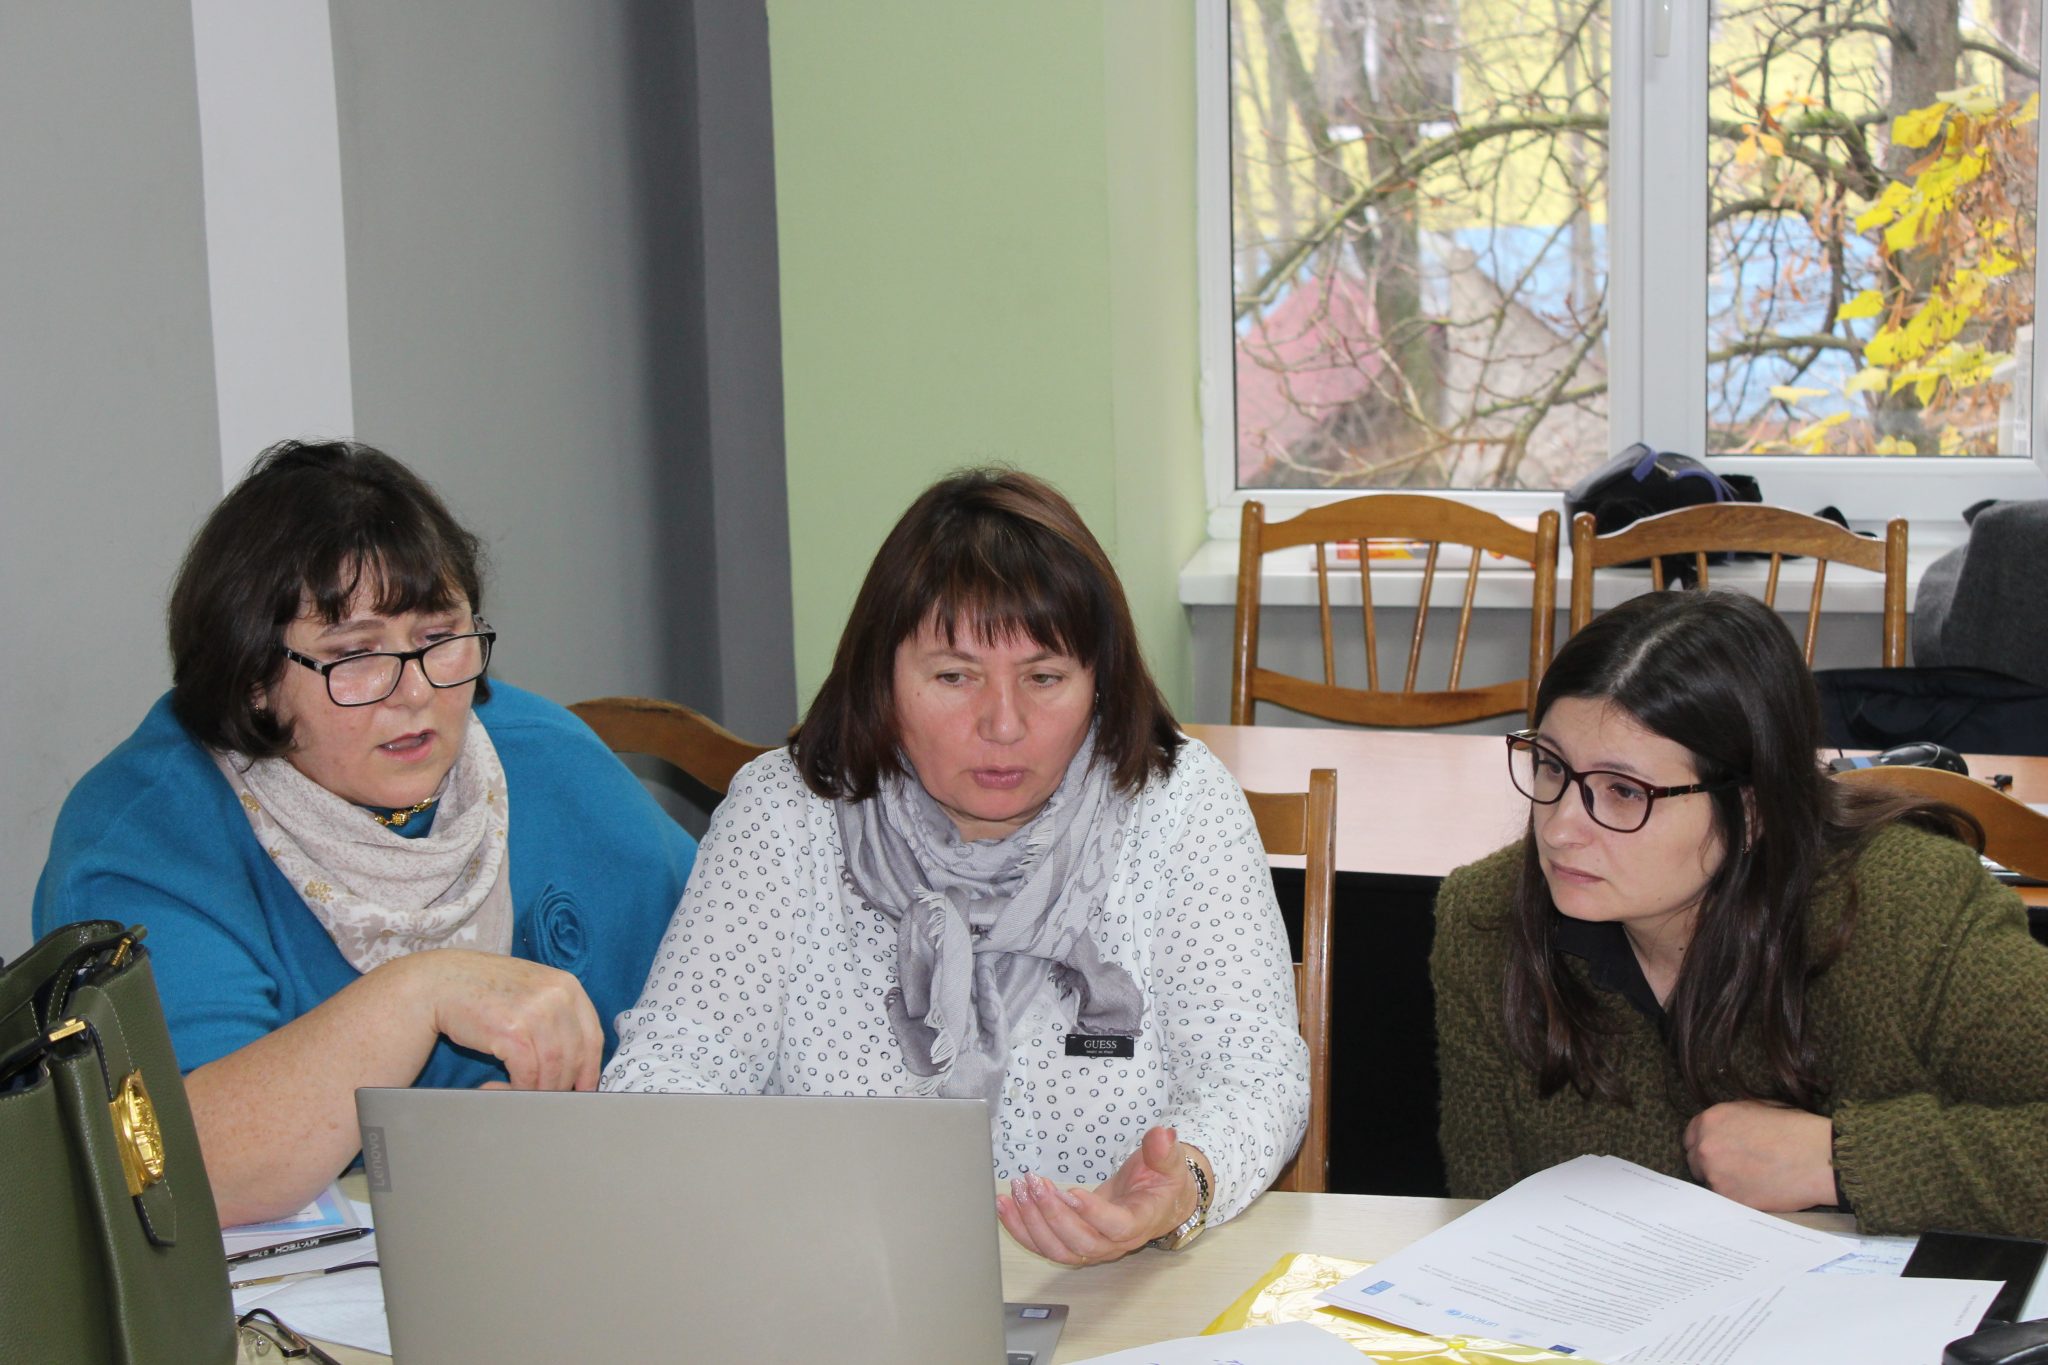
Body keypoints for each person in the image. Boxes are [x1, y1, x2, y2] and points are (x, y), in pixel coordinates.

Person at [605, 469, 1308, 1264]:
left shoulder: (1176, 805)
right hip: (837, 1280)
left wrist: (1184, 1186)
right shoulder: (785, 813)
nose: (1003, 723)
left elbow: (1254, 1074)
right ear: (882, 676)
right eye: (953, 676)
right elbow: (670, 1072)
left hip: (1119, 1293)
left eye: (1044, 677)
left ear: (1100, 681)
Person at [34, 440, 698, 1224]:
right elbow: (186, 1168)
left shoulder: (546, 757)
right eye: (355, 656)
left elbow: (750, 973)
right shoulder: (145, 839)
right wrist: (421, 991)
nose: (414, 692)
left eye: (439, 637)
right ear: (253, 679)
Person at [1433, 589, 2048, 1236]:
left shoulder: (1907, 906)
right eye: (1551, 766)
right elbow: (1483, 1217)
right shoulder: (1488, 918)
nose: (1560, 829)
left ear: (1751, 811)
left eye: (1623, 792)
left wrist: (1841, 1161)